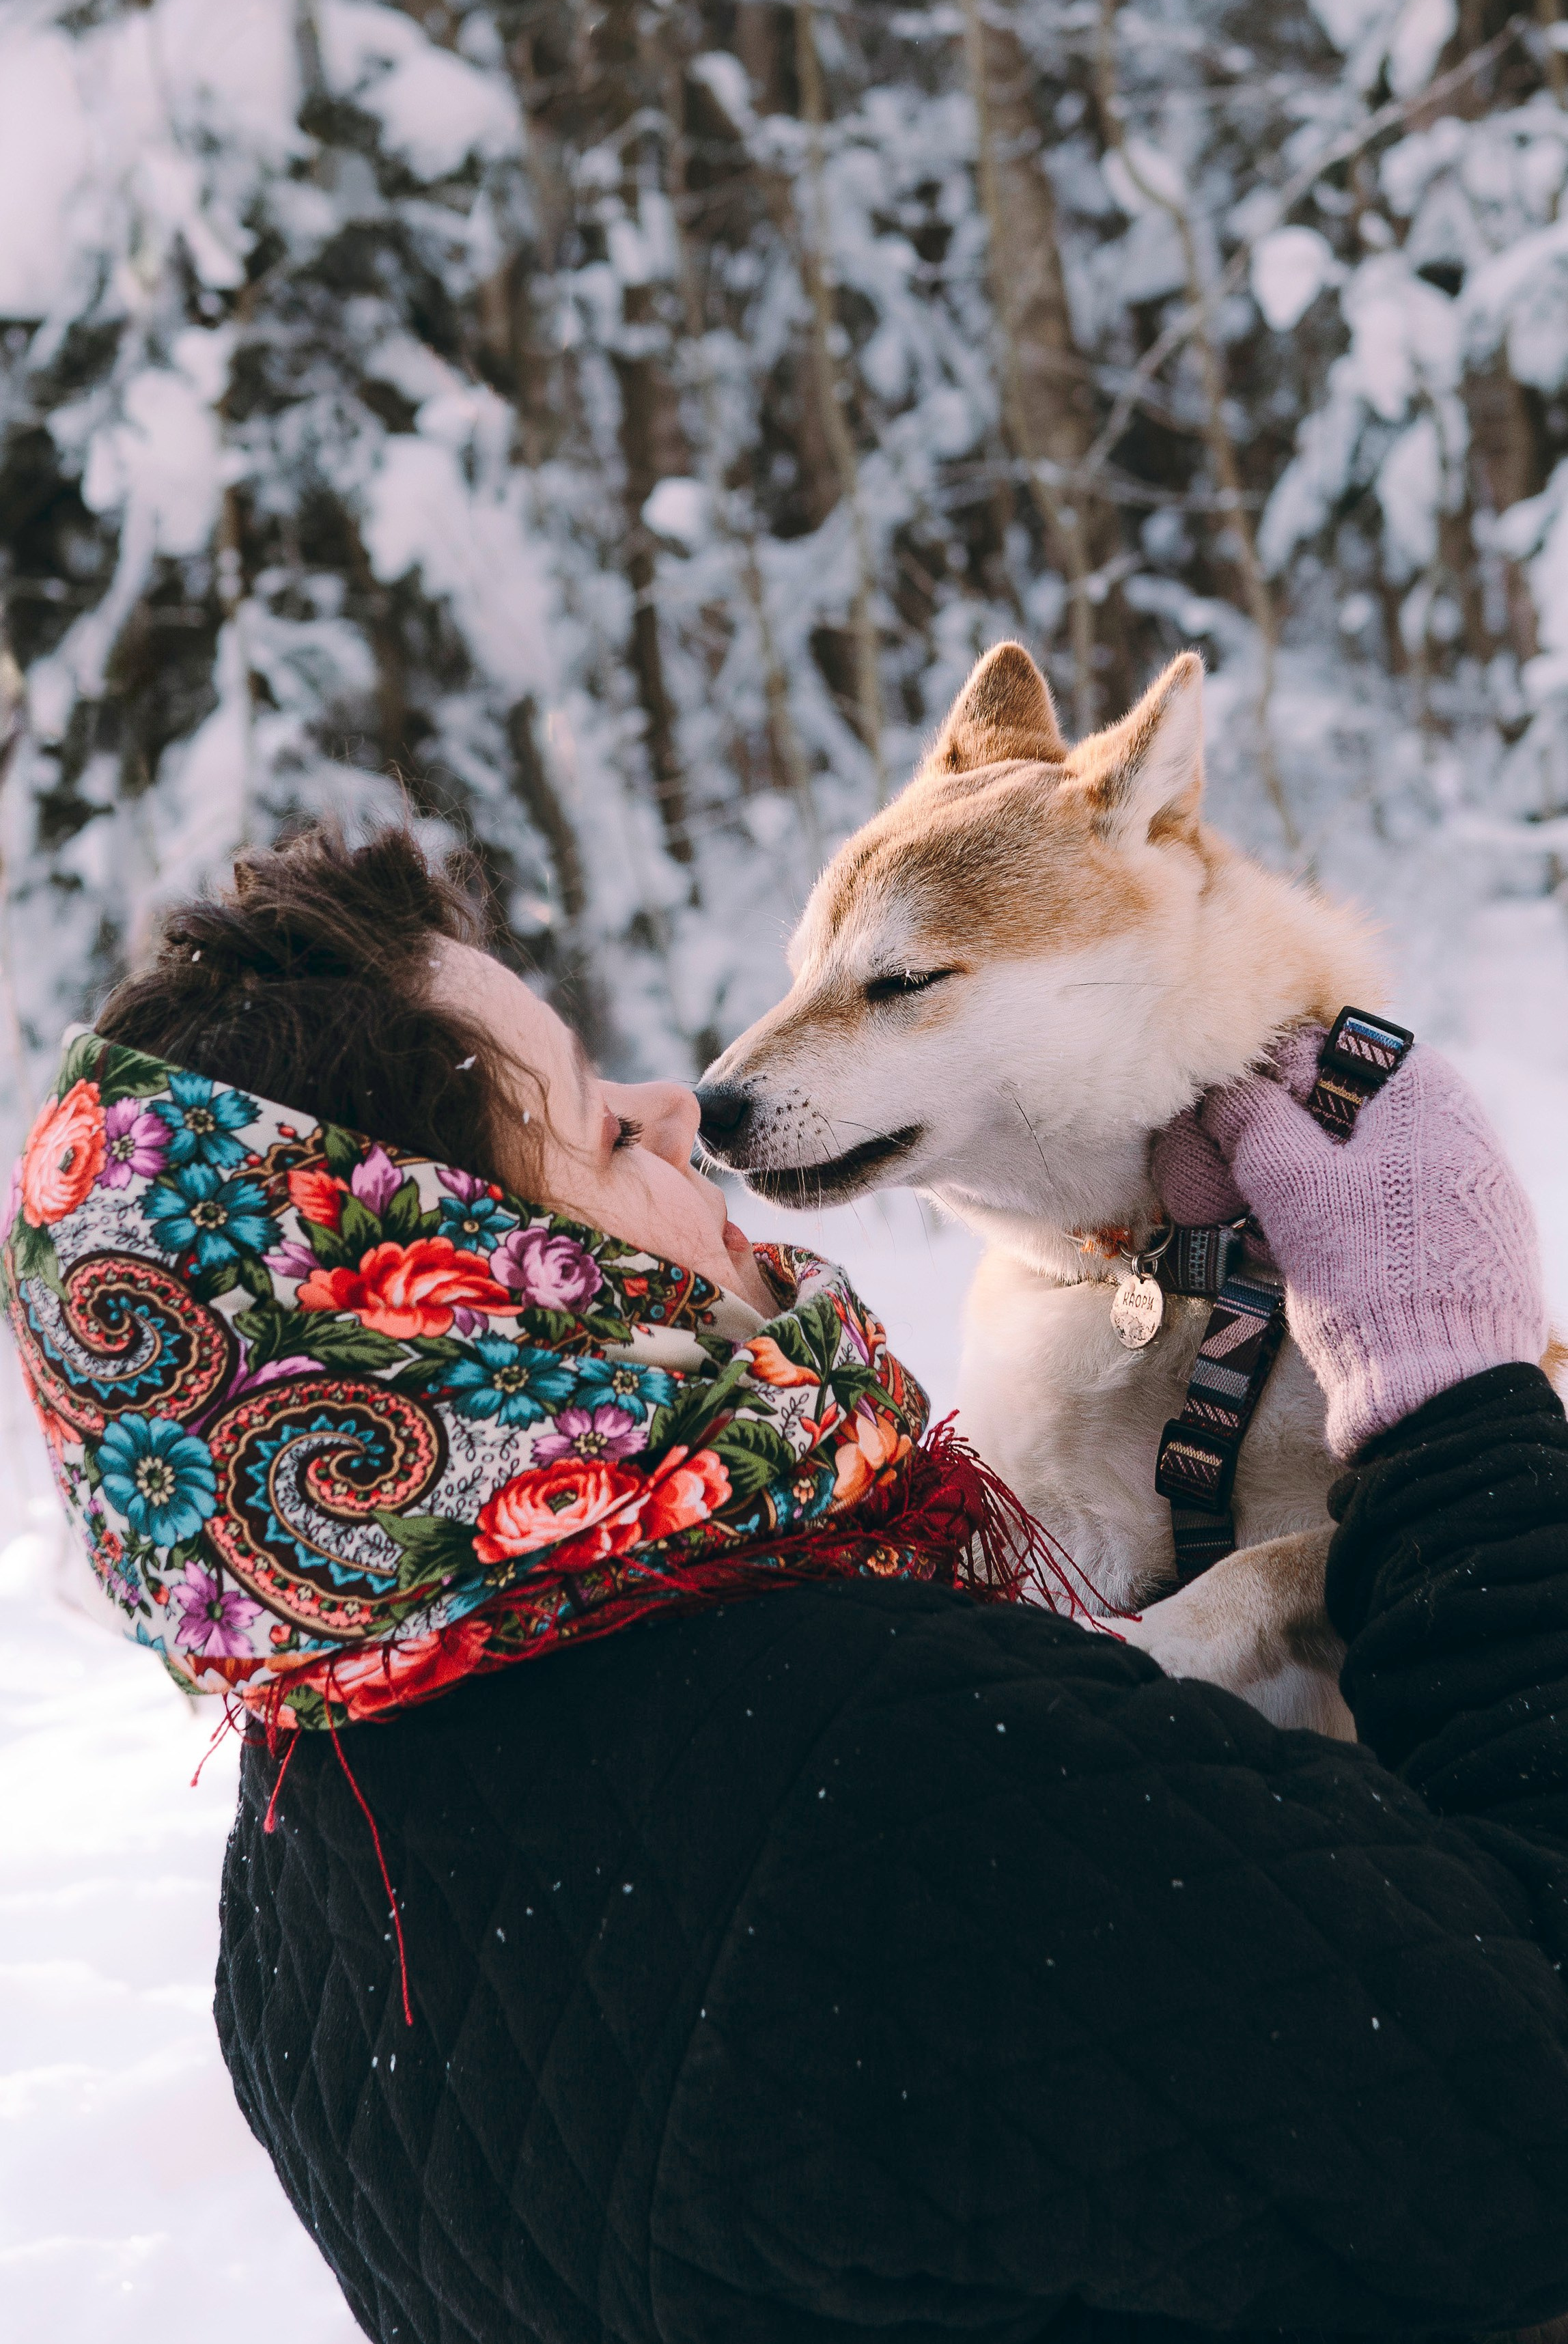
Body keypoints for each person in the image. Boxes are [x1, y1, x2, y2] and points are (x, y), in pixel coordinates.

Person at [8, 823, 1568, 2344]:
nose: (675, 1108)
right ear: (466, 1282)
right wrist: (1452, 1398)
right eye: (599, 1129)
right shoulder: (883, 1769)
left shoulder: (297, 1872)